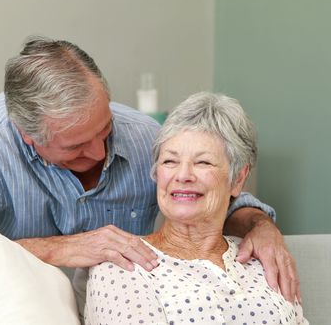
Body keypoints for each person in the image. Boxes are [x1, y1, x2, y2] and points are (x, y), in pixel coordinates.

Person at [0, 37, 299, 304]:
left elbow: (212, 194)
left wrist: (260, 225)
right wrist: (55, 248)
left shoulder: (141, 135)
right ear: (30, 137)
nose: (99, 151)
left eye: (104, 128)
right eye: (77, 146)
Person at [85, 92, 307, 325]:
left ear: (237, 179)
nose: (183, 175)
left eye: (203, 162)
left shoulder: (264, 260)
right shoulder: (122, 265)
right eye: (170, 161)